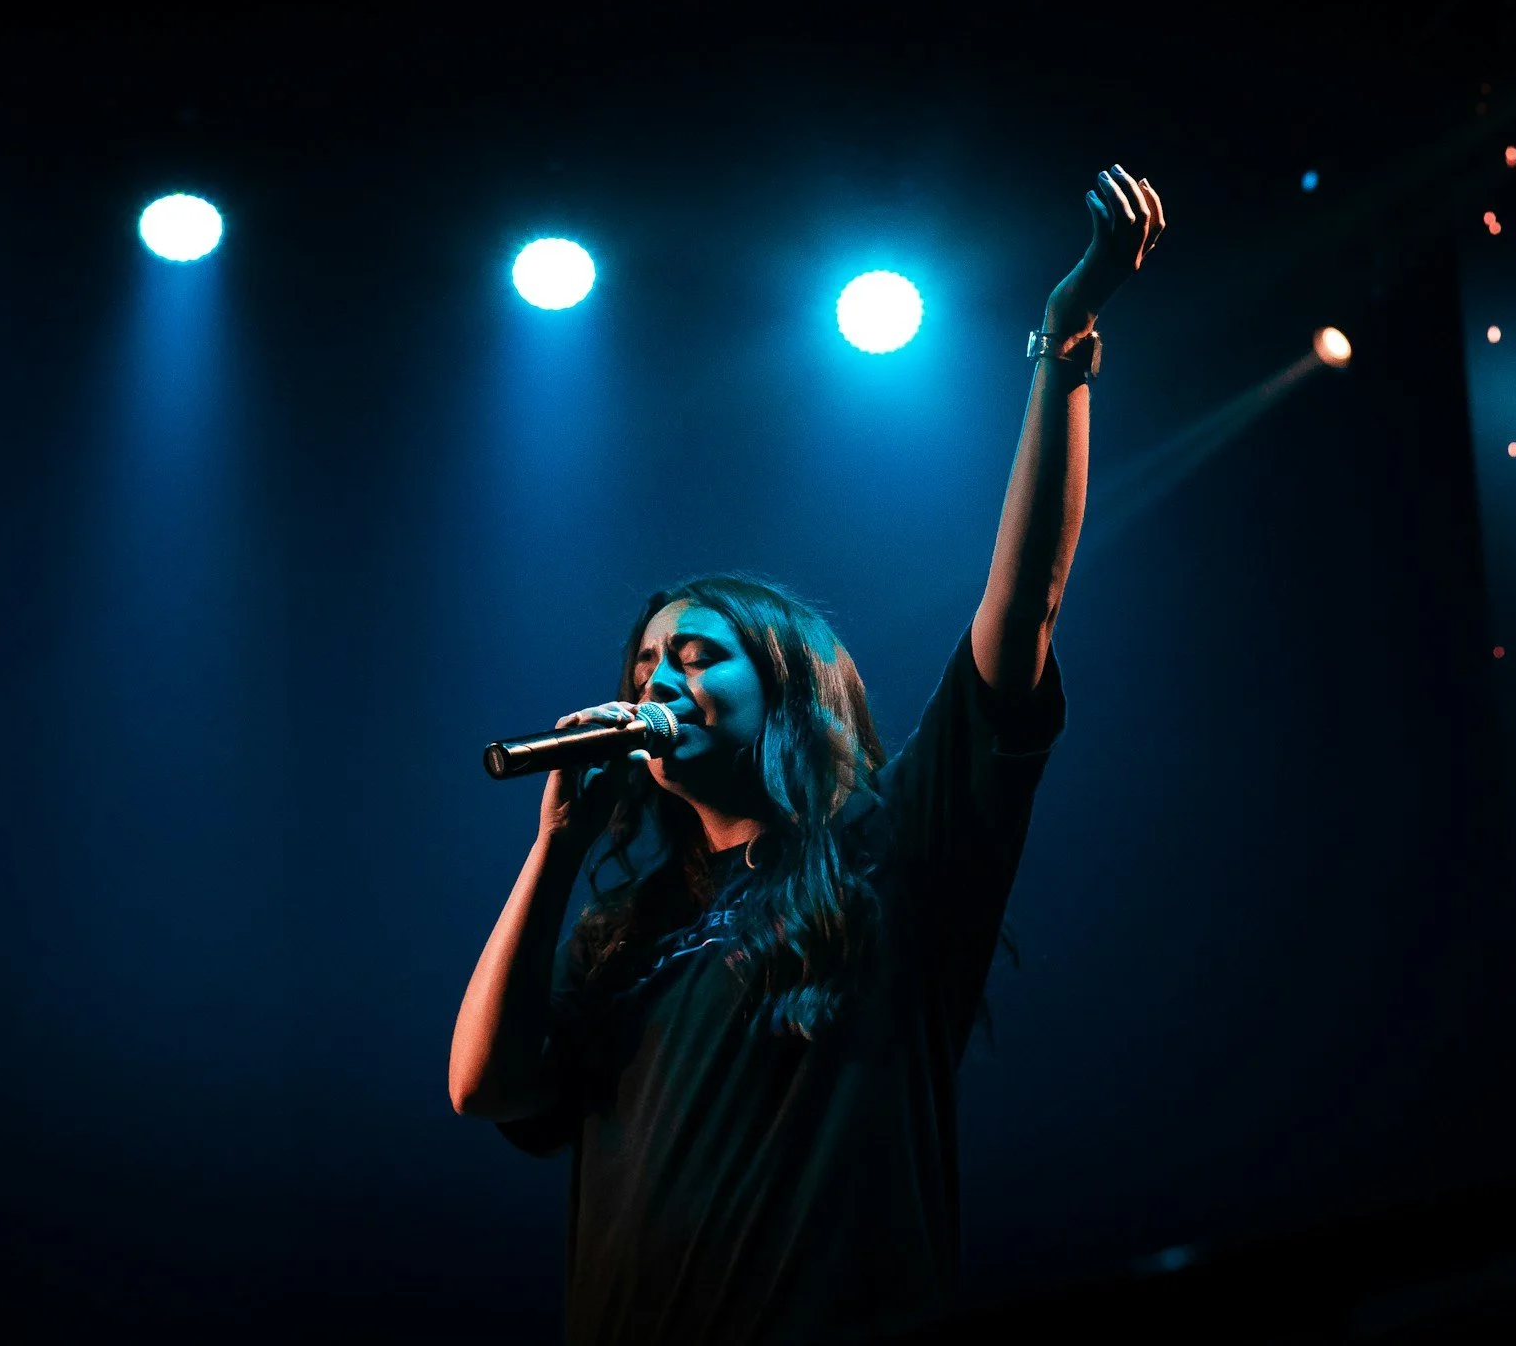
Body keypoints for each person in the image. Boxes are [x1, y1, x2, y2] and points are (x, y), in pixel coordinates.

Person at [449, 165, 1169, 1344]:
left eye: (695, 654)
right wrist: (558, 847)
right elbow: (484, 1086)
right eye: (641, 665)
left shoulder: (888, 852)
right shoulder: (624, 928)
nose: (656, 682)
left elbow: (1023, 602)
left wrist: (1064, 337)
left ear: (784, 682)